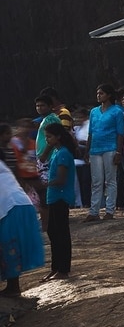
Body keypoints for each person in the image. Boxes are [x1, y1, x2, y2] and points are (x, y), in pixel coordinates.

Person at [39, 124, 76, 278]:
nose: (47, 139)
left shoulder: (63, 154)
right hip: (54, 196)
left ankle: (63, 269)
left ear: (58, 137)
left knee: (61, 232)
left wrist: (45, 184)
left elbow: (61, 179)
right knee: (53, 231)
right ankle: (56, 267)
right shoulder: (56, 152)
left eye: (49, 136)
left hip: (61, 196)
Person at [0, 162, 41, 298]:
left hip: (12, 207)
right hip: (20, 205)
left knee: (8, 246)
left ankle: (13, 287)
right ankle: (12, 285)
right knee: (10, 246)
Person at [86, 87, 124, 220]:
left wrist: (119, 151)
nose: (98, 95)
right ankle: (94, 211)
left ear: (109, 95)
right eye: (97, 93)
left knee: (110, 180)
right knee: (96, 181)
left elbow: (120, 133)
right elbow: (90, 132)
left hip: (110, 147)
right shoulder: (93, 111)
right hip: (95, 148)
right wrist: (87, 150)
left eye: (101, 93)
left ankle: (109, 210)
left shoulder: (117, 112)